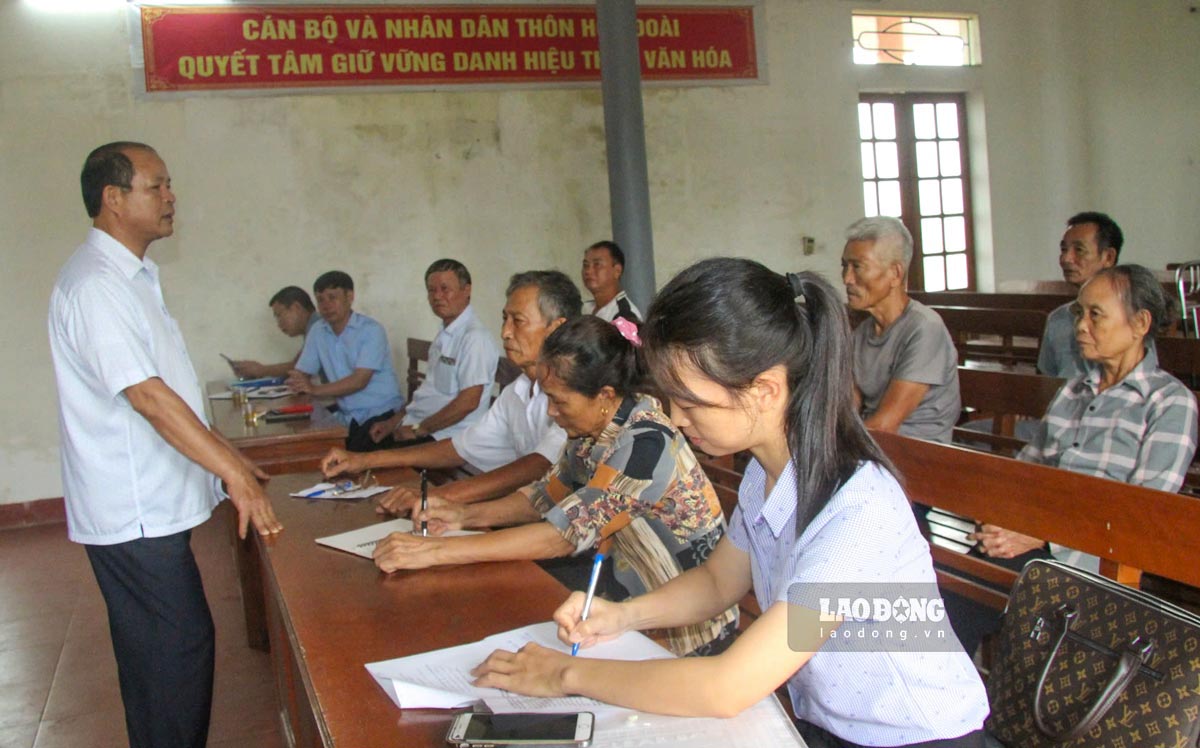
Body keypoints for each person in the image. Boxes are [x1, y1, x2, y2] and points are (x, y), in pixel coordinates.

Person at [471, 258, 989, 747]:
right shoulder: (767, 474)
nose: (676, 418)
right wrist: (622, 616)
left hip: (918, 736)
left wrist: (566, 673)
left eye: (691, 402)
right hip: (832, 726)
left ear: (764, 389)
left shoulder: (857, 514)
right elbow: (721, 580)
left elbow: (727, 688)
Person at [48, 142, 282, 748]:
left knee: (161, 656)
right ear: (114, 199)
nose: (171, 196)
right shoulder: (98, 284)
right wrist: (231, 469)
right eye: (158, 186)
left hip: (145, 507)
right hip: (135, 512)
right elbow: (148, 397)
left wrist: (227, 458)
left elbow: (164, 387)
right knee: (174, 652)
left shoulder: (130, 276)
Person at [373, 315, 738, 656]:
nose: (550, 411)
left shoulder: (645, 444)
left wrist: (433, 552)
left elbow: (563, 535)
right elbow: (545, 496)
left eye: (558, 400)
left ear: (605, 396)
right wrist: (461, 515)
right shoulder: (590, 432)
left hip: (688, 633)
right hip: (628, 612)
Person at [972, 264, 1197, 571]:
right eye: (1079, 313)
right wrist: (1002, 516)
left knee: (954, 605)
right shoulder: (1073, 391)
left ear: (1140, 323)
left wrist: (1042, 535)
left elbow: (1144, 514)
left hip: (1092, 562)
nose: (1079, 325)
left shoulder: (1169, 402)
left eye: (1095, 314)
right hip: (1029, 543)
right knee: (939, 588)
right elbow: (1026, 472)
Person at [320, 271, 578, 508]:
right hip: (528, 508)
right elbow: (459, 448)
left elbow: (539, 465)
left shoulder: (576, 391)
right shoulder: (517, 391)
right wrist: (363, 460)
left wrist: (434, 496)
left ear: (556, 329)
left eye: (518, 321)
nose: (505, 332)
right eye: (504, 319)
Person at [842, 217, 960, 443]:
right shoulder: (860, 335)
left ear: (895, 274)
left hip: (920, 453)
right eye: (844, 266)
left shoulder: (925, 328)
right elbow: (847, 409)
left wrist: (832, 450)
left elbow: (885, 425)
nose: (847, 278)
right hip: (873, 446)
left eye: (857, 267)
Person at [367, 260, 499, 447]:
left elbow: (468, 402)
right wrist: (393, 422)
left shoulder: (475, 338)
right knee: (361, 439)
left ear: (466, 290)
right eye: (431, 290)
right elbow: (428, 393)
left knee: (366, 458)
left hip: (446, 438)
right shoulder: (445, 334)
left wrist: (419, 429)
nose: (437, 296)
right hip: (419, 426)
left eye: (445, 289)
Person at [285, 270, 405, 451]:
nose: (326, 305)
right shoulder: (318, 330)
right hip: (346, 415)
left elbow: (359, 381)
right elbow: (302, 372)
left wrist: (314, 389)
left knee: (340, 455)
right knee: (303, 441)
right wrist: (297, 382)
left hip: (381, 414)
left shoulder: (371, 330)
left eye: (332, 298)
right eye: (320, 300)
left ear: (350, 297)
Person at [1037, 211, 1123, 378]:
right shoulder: (1058, 318)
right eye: (1064, 249)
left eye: (1079, 249)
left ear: (1108, 257)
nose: (1066, 258)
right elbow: (1046, 381)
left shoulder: (1128, 319)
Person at [229, 286, 318, 379]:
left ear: (296, 307)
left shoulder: (318, 328)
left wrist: (261, 370)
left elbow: (300, 368)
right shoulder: (312, 327)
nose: (279, 324)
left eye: (279, 315)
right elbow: (299, 364)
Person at [581, 240, 641, 323]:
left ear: (617, 271)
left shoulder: (625, 316)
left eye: (597, 264)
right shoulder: (584, 309)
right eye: (586, 265)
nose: (588, 271)